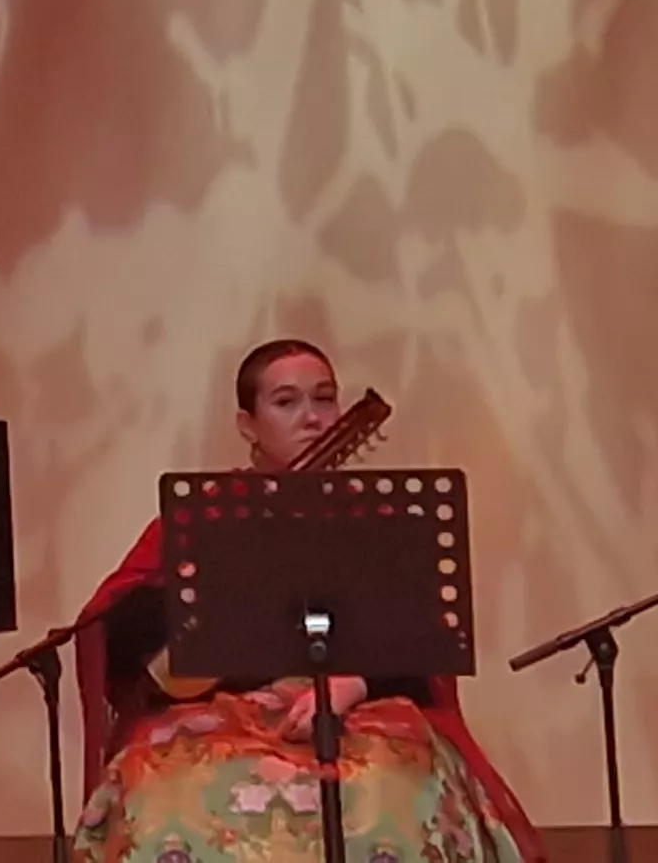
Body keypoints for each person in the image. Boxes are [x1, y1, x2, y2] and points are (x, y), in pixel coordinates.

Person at [68, 341, 539, 863]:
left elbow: (421, 642)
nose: (311, 417)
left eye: (324, 399)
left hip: (357, 709)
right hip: (213, 714)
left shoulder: (375, 517)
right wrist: (214, 587)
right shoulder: (204, 516)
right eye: (286, 402)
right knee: (164, 792)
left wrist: (351, 685)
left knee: (394, 789)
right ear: (247, 424)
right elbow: (119, 628)